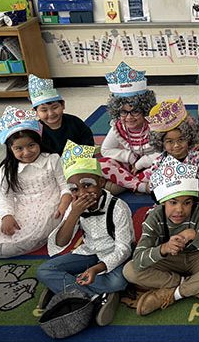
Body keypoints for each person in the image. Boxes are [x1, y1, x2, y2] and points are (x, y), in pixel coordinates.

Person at [36, 140, 134, 327]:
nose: (82, 193)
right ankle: (94, 296)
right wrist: (74, 214)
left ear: (101, 182)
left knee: (118, 283)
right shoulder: (75, 206)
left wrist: (97, 269)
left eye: (88, 185)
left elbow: (123, 249)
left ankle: (65, 288)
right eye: (74, 189)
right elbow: (61, 242)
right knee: (44, 270)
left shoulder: (118, 207)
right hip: (89, 252)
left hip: (114, 256)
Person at [123, 155, 199, 316]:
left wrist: (195, 236)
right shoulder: (154, 217)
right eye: (173, 202)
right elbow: (138, 260)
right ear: (162, 202)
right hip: (169, 260)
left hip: (197, 258)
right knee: (130, 270)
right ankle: (194, 287)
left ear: (193, 202)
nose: (180, 209)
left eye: (187, 202)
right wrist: (163, 248)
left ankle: (172, 294)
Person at [0, 107, 72, 259]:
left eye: (31, 145)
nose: (26, 152)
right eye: (19, 148)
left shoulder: (52, 159)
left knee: (38, 232)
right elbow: (5, 195)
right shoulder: (6, 169)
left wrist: (64, 204)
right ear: (10, 149)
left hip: (50, 201)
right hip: (22, 205)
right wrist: (7, 215)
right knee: (0, 243)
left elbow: (65, 185)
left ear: (39, 142)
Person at [147, 97, 199, 215]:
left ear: (189, 137)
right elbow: (155, 192)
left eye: (181, 139)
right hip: (168, 202)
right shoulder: (158, 163)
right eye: (169, 141)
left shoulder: (197, 158)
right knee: (153, 217)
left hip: (196, 200)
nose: (176, 145)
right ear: (161, 143)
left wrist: (188, 203)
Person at [99, 62, 159, 194]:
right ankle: (139, 185)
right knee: (102, 164)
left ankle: (124, 184)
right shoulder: (118, 126)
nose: (129, 117)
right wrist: (129, 157)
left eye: (135, 111)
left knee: (168, 164)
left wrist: (141, 163)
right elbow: (105, 149)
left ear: (145, 110)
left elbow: (164, 152)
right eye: (123, 112)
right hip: (130, 165)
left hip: (153, 163)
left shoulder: (155, 124)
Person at [28, 74, 94, 156]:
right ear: (35, 112)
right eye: (44, 110)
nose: (51, 113)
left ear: (63, 105)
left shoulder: (75, 122)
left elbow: (88, 141)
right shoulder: (36, 131)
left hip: (79, 161)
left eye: (55, 107)